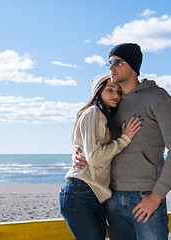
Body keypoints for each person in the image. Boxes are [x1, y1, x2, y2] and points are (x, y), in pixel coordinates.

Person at [73, 43, 171, 240]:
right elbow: (91, 134)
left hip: (145, 196)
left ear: (133, 66)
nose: (111, 68)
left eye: (117, 62)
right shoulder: (112, 102)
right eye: (109, 63)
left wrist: (156, 196)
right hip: (111, 196)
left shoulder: (158, 98)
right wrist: (78, 153)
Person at [60, 73, 142, 240]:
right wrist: (125, 139)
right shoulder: (93, 112)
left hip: (95, 195)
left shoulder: (103, 116)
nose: (116, 95)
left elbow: (85, 150)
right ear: (98, 92)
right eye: (110, 89)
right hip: (81, 193)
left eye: (119, 91)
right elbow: (95, 157)